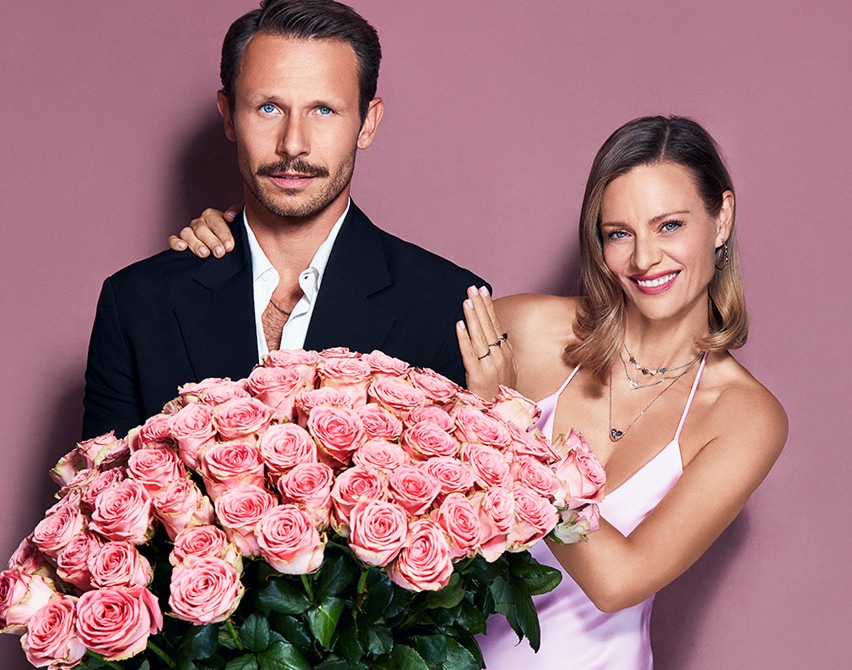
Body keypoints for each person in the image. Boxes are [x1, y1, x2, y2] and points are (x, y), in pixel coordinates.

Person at [180, 115, 787, 668]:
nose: (645, 258)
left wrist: (510, 425)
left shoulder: (744, 417)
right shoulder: (529, 329)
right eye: (618, 233)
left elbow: (617, 582)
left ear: (722, 218)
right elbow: (347, 385)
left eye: (670, 225)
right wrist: (248, 248)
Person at [82, 0, 486, 440]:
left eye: (323, 110)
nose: (293, 144)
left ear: (367, 123)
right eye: (269, 108)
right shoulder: (137, 303)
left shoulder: (447, 308)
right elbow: (97, 480)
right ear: (228, 115)